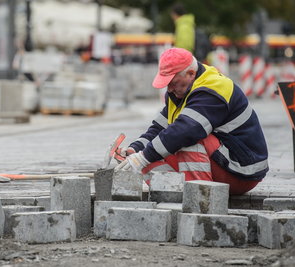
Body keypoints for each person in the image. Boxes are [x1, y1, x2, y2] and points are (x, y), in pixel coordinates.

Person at [115, 48, 268, 195]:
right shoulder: (179, 93)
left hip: (242, 171)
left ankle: (200, 199)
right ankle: (170, 195)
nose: (169, 89)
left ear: (190, 73)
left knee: (185, 139)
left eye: (173, 83)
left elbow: (187, 131)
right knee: (153, 150)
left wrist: (143, 157)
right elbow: (158, 129)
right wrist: (134, 151)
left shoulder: (213, 87)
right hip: (223, 164)